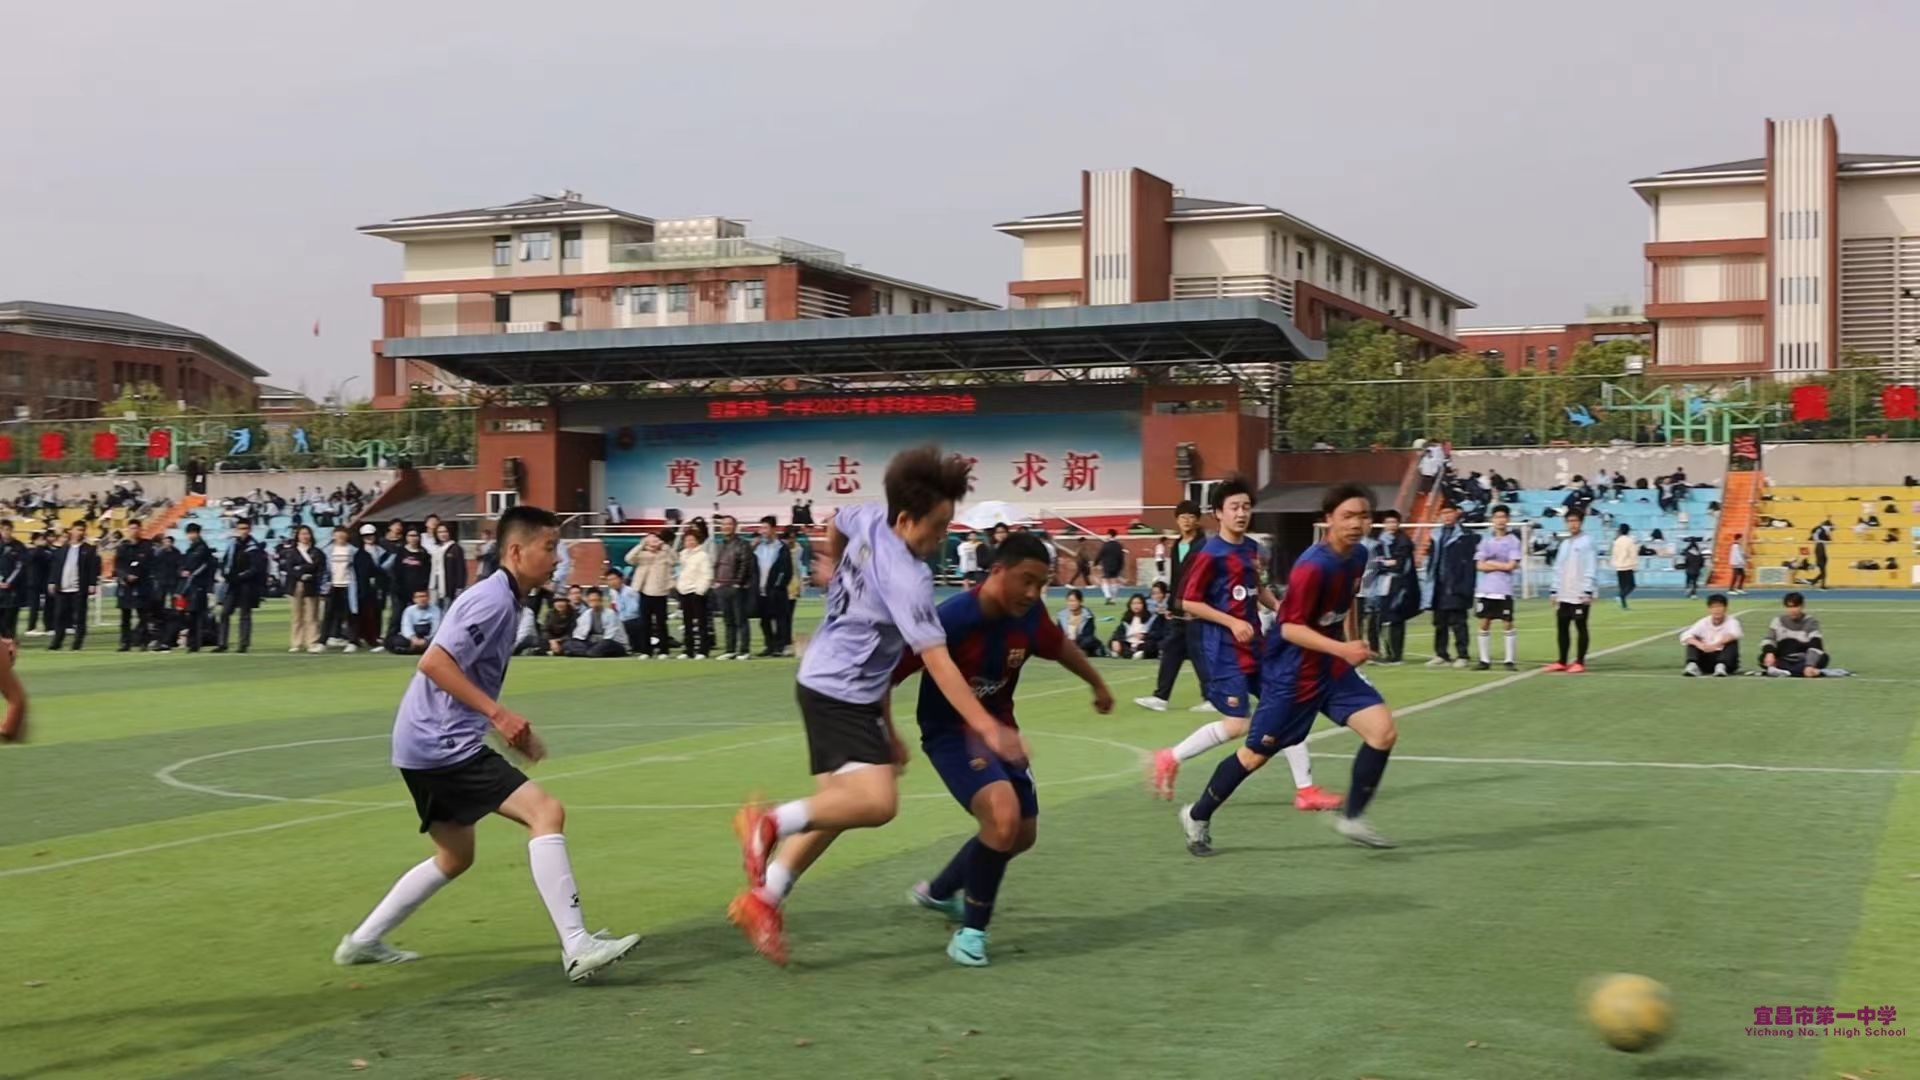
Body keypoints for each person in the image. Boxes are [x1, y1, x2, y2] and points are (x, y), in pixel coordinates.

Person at [332, 504, 641, 983]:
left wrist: (497, 723)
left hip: (421, 742)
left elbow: (460, 672)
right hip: (441, 742)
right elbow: (433, 662)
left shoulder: (507, 599)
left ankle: (362, 941)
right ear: (516, 551)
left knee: (456, 856)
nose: (556, 559)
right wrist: (498, 714)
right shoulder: (492, 600)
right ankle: (577, 945)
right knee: (546, 812)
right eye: (549, 548)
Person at [728, 447, 1011, 968]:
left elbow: (837, 521)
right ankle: (767, 823)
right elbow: (938, 662)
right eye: (938, 527)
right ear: (906, 520)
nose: (943, 538)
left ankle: (765, 898)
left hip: (832, 682)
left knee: (839, 807)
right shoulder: (910, 578)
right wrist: (985, 726)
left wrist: (832, 564)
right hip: (840, 691)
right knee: (878, 804)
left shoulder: (871, 516)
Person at [900, 534, 1114, 966]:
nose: (1033, 593)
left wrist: (1097, 683)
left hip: (1002, 730)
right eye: (1026, 581)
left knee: (1021, 834)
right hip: (950, 733)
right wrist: (880, 727)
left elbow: (1060, 646)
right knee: (1002, 816)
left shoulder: (1030, 615)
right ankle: (971, 935)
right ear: (997, 571)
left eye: (1042, 584)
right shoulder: (953, 618)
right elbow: (894, 668)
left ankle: (940, 891)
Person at [1177, 484, 1400, 854]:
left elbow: (1346, 604)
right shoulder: (1312, 566)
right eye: (1347, 516)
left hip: (1330, 668)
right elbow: (1290, 629)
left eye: (1363, 516)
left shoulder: (1359, 555)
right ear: (1328, 519)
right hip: (1292, 676)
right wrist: (1342, 648)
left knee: (1383, 732)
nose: (1356, 523)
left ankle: (1352, 817)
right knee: (1254, 756)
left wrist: (1351, 642)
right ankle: (1197, 815)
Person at [1149, 477, 1339, 811]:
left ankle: (1306, 790)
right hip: (1223, 652)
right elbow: (1188, 602)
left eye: (1246, 507)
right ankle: (1171, 757)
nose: (1241, 513)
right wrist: (1232, 622)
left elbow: (1256, 588)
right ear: (1218, 513)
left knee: (1286, 708)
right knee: (1237, 725)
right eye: (1234, 507)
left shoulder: (1251, 548)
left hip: (1255, 647)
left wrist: (1280, 608)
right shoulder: (1209, 553)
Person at [1134, 500, 1211, 712]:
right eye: (1183, 517)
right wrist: (1170, 604)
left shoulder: (1204, 546)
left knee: (1199, 653)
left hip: (1196, 608)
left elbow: (1202, 578)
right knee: (1171, 650)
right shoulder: (1177, 545)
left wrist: (1195, 605)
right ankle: (1161, 697)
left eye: (1191, 517)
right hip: (1178, 608)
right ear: (1177, 520)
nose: (1187, 521)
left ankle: (1213, 698)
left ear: (1197, 520)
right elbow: (1177, 578)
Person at [1544, 510, 1597, 673]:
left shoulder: (1587, 542)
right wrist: (1554, 590)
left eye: (1575, 521)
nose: (1572, 524)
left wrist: (1588, 590)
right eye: (1570, 521)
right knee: (1562, 626)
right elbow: (1558, 568)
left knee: (1580, 626)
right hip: (1564, 592)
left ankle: (1580, 662)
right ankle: (1562, 660)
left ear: (1581, 522)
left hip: (1580, 592)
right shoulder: (1565, 544)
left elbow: (1591, 566)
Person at [1425, 505, 1476, 668]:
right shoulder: (1436, 534)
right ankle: (1441, 654)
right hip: (1438, 585)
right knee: (1439, 623)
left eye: (1449, 512)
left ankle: (1462, 655)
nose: (1446, 516)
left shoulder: (1466, 535)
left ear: (1456, 513)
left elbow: (1470, 564)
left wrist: (1466, 586)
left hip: (1456, 585)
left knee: (1458, 622)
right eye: (1443, 513)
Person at [1473, 505, 1522, 671]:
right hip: (1486, 589)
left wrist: (1491, 563)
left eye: (1503, 517)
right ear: (1492, 520)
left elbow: (1511, 565)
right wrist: (1501, 565)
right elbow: (1479, 565)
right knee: (1484, 622)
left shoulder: (1513, 541)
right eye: (1497, 517)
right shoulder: (1485, 540)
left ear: (1508, 519)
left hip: (1504, 589)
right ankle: (1484, 660)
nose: (1500, 520)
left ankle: (1509, 660)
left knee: (1507, 623)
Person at [1760, 592, 1847, 678]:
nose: (1792, 610)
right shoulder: (1778, 621)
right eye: (1789, 607)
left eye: (1796, 606)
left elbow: (1816, 645)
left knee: (1822, 657)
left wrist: (1809, 665)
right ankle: (1814, 672)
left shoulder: (1811, 622)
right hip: (1784, 657)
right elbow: (1769, 639)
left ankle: (1782, 671)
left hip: (1803, 659)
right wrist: (1769, 653)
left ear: (1802, 606)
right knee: (1763, 657)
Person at [214, 518, 268, 654]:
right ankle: (222, 643)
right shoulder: (232, 544)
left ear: (250, 529)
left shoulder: (254, 547)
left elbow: (255, 568)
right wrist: (226, 574)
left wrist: (239, 577)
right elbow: (225, 562)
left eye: (245, 528)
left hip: (247, 585)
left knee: (244, 614)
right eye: (240, 528)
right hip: (232, 584)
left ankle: (243, 644)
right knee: (225, 613)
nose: (242, 531)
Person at [47, 524, 99, 651]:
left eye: (82, 530)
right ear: (71, 531)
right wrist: (52, 581)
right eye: (77, 529)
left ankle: (77, 642)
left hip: (79, 588)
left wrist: (92, 584)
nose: (79, 532)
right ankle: (57, 641)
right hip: (63, 587)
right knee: (59, 615)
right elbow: (56, 567)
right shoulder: (63, 548)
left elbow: (93, 568)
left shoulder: (89, 549)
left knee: (79, 616)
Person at [712, 516, 755, 660]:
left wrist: (738, 583)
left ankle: (744, 650)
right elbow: (717, 564)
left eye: (729, 524)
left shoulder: (743, 544)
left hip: (736, 587)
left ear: (735, 526)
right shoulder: (720, 545)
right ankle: (730, 649)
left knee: (740, 619)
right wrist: (716, 581)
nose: (726, 527)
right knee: (728, 620)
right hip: (722, 586)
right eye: (724, 524)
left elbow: (745, 564)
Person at [625, 531, 674, 657]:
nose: (653, 543)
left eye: (655, 540)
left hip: (661, 592)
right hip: (645, 592)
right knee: (645, 623)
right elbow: (628, 558)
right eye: (650, 540)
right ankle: (646, 650)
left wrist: (665, 547)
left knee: (661, 623)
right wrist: (641, 545)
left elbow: (675, 559)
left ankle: (664, 650)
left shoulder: (664, 554)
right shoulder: (642, 555)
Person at [753, 516, 794, 657]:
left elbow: (786, 570)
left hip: (776, 590)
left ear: (773, 529)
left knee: (780, 619)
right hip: (761, 589)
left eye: (765, 528)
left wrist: (778, 586)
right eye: (761, 528)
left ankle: (780, 646)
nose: (762, 531)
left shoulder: (782, 548)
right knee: (764, 620)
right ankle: (769, 645)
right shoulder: (758, 547)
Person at [382, 530, 432, 641]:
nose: (413, 538)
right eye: (410, 535)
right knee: (397, 615)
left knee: (415, 616)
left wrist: (422, 588)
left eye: (415, 535)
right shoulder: (400, 552)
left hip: (416, 592)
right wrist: (397, 587)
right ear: (406, 537)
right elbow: (395, 570)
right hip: (399, 590)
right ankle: (389, 639)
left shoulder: (423, 553)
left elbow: (426, 572)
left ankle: (412, 639)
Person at [281, 524, 324, 653]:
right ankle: (296, 643)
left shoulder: (316, 552)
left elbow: (319, 568)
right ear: (298, 536)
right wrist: (301, 573)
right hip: (296, 585)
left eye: (307, 533)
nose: (305, 536)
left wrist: (302, 569)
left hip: (311, 585)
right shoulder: (292, 552)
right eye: (302, 534)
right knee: (296, 615)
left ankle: (312, 642)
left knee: (312, 615)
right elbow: (289, 568)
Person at [114, 520, 155, 652]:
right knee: (125, 616)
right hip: (126, 585)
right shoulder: (123, 547)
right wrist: (125, 576)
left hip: (142, 585)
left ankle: (143, 641)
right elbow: (118, 566)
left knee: (143, 615)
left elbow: (148, 564)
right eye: (131, 528)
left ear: (140, 529)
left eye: (136, 528)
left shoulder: (147, 546)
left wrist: (137, 574)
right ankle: (125, 642)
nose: (133, 531)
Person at [1680, 594, 1742, 676]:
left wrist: (1715, 645)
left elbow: (1735, 634)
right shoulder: (1703, 622)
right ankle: (1692, 666)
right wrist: (1700, 645)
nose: (1717, 610)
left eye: (1720, 607)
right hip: (1706, 657)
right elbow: (1685, 636)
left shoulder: (1732, 622)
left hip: (1725, 659)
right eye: (1713, 607)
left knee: (1732, 642)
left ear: (1725, 608)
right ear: (1709, 609)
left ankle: (1721, 667)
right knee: (1693, 640)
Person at [675, 528, 713, 659]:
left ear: (697, 541)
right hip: (684, 591)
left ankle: (703, 650)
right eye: (687, 540)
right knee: (687, 623)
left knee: (701, 622)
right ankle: (688, 650)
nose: (690, 542)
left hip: (697, 592)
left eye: (692, 540)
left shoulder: (703, 556)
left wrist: (700, 591)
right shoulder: (683, 555)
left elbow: (707, 575)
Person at [177, 523, 216, 652]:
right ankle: (193, 642)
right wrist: (182, 571)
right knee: (191, 614)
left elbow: (204, 567)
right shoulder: (192, 548)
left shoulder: (202, 548)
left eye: (192, 533)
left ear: (197, 533)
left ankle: (195, 643)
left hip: (198, 585)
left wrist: (191, 573)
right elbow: (185, 564)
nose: (190, 535)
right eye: (189, 533)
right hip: (190, 585)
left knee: (196, 614)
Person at [565, 588, 630, 657]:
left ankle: (585, 652)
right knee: (569, 644)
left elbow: (610, 637)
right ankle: (589, 652)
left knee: (605, 645)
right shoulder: (586, 614)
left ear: (601, 600)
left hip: (613, 643)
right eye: (591, 600)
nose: (594, 603)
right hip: (593, 644)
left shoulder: (610, 613)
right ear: (587, 601)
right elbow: (579, 635)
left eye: (596, 600)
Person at [148, 533, 182, 650]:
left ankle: (169, 637)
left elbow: (179, 567)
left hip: (172, 584)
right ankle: (161, 636)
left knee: (174, 610)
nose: (166, 544)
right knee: (160, 608)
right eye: (165, 542)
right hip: (162, 583)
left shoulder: (176, 553)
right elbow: (154, 565)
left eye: (168, 542)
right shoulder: (160, 553)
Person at [386, 589, 443, 655]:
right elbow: (406, 627)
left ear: (428, 598)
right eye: (419, 597)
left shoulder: (436, 610)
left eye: (424, 596)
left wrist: (426, 640)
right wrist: (414, 639)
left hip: (428, 637)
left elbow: (436, 628)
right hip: (412, 638)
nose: (422, 599)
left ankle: (414, 650)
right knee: (393, 641)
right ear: (414, 599)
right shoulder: (409, 610)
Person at [1109, 593, 1161, 660]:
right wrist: (1115, 640)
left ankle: (1139, 653)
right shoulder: (1126, 619)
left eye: (1139, 603)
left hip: (1143, 643)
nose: (1136, 606)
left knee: (1151, 645)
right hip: (1129, 643)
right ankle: (1124, 652)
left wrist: (1144, 636)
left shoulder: (1151, 618)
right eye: (1133, 604)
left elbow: (1156, 633)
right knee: (1114, 642)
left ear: (1144, 605)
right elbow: (1118, 633)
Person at [428, 523, 468, 608]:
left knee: (447, 609)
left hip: (449, 586)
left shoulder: (455, 548)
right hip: (436, 583)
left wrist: (460, 587)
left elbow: (461, 569)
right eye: (439, 532)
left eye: (445, 531)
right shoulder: (436, 548)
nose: (442, 534)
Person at [1055, 588, 1103, 656]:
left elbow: (1088, 633)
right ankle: (1080, 652)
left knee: (1090, 640)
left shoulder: (1087, 616)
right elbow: (1059, 632)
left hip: (1081, 641)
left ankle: (1079, 651)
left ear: (1080, 601)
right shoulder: (1062, 615)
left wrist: (1074, 639)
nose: (1071, 604)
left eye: (1074, 601)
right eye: (1069, 601)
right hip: (1066, 642)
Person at [602, 568, 642, 648]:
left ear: (621, 579)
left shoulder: (629, 592)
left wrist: (618, 621)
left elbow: (633, 613)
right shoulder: (614, 592)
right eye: (609, 580)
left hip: (633, 621)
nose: (612, 582)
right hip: (624, 621)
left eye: (614, 579)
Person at [1611, 523, 1639, 610]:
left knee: (1622, 587)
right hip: (1628, 566)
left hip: (1619, 567)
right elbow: (1633, 554)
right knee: (1631, 585)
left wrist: (1614, 564)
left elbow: (1614, 554)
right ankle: (1620, 596)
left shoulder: (1617, 541)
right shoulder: (1630, 541)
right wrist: (1635, 566)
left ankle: (1624, 605)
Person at [1095, 530, 1127, 604]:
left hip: (1107, 565)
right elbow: (1121, 557)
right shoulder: (1118, 545)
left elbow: (1100, 554)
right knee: (1114, 581)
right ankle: (1113, 598)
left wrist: (1095, 563)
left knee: (1105, 580)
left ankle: (1108, 596)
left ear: (1109, 535)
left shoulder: (1105, 545)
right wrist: (1121, 566)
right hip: (1116, 565)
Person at [1808, 518, 1833, 589]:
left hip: (1820, 547)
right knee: (1823, 571)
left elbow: (1813, 534)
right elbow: (1829, 538)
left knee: (1823, 570)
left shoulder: (1820, 530)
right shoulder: (1822, 529)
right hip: (1820, 547)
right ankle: (1821, 585)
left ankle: (1814, 581)